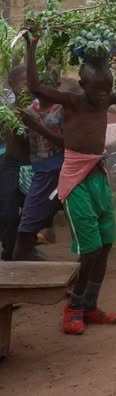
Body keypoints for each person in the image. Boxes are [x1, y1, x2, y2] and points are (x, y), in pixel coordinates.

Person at [25, 29, 116, 335]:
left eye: (108, 88)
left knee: (105, 245)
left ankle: (91, 306)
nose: (105, 94)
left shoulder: (102, 101)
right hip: (76, 181)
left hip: (98, 176)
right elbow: (35, 86)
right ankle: (74, 308)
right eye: (98, 88)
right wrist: (32, 46)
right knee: (90, 249)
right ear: (83, 85)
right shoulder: (72, 102)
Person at [13, 86, 65, 261]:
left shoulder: (63, 108)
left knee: (81, 218)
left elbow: (69, 142)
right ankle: (23, 260)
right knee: (28, 223)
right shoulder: (29, 110)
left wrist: (35, 125)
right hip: (42, 171)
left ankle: (88, 268)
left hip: (66, 170)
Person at [0, 65, 30, 260]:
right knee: (7, 211)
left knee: (33, 212)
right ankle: (10, 250)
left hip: (36, 164)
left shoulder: (40, 106)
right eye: (24, 83)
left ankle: (26, 248)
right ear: (13, 85)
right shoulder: (7, 110)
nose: (28, 87)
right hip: (12, 163)